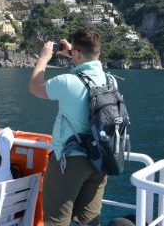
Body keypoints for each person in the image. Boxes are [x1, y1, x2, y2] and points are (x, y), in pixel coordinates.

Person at [29, 29, 109, 226]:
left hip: (71, 160)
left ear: (78, 53)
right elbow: (85, 66)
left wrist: (44, 58)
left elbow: (35, 87)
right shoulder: (109, 80)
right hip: (101, 159)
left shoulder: (67, 81)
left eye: (74, 51)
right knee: (90, 221)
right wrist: (73, 53)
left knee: (57, 220)